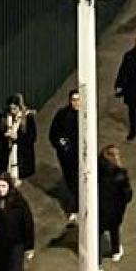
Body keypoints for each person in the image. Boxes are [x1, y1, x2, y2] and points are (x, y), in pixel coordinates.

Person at [49, 89, 81, 218]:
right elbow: (53, 134)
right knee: (72, 181)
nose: (76, 103)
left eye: (78, 100)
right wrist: (60, 143)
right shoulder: (62, 115)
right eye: (74, 100)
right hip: (67, 156)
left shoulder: (86, 115)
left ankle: (78, 206)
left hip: (81, 154)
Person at [97, 144, 132, 261]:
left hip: (99, 208)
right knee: (114, 230)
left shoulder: (96, 170)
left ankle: (98, 261)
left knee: (97, 235)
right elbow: (127, 194)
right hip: (114, 210)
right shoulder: (120, 174)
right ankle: (115, 251)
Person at [0, 94, 36, 182]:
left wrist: (17, 137)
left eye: (15, 109)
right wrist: (5, 135)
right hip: (7, 152)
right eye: (10, 109)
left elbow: (32, 137)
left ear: (20, 107)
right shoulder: (3, 118)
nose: (12, 111)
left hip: (22, 154)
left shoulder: (28, 118)